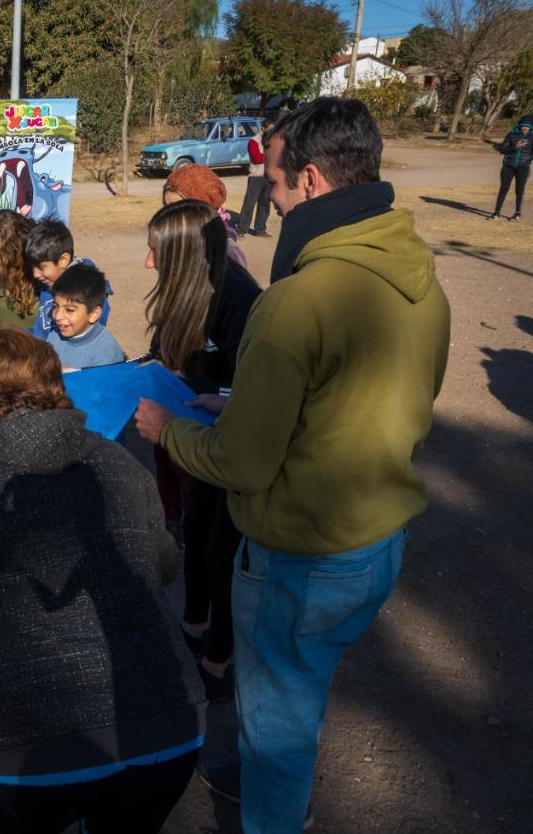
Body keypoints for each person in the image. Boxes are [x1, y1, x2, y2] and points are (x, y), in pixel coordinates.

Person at [134, 97, 450, 833]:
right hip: (377, 543)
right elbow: (360, 399)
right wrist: (240, 400)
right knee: (289, 693)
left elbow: (242, 462)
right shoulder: (419, 278)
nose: (265, 203)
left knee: (282, 726)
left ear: (309, 180)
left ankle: (268, 806)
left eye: (271, 185)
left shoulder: (293, 303)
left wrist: (168, 428)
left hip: (302, 557)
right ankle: (243, 765)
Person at [0, 328, 205, 834]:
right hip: (167, 729)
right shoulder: (119, 465)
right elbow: (162, 567)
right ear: (58, 384)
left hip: (26, 752)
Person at [143, 199, 261, 702]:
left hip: (236, 442)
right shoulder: (182, 293)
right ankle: (192, 626)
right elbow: (167, 356)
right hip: (198, 436)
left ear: (186, 254)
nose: (148, 264)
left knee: (223, 550)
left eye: (156, 253)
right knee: (194, 532)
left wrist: (223, 397)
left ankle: (220, 657)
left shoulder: (240, 298)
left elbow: (258, 387)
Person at [24, 219, 109, 340]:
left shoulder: (86, 288)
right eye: (32, 267)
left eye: (41, 267)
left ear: (63, 260)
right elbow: (40, 329)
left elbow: (94, 332)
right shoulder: (49, 281)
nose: (35, 274)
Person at [163, 164, 249, 270]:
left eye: (179, 209)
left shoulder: (226, 252)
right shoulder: (182, 234)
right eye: (166, 207)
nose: (169, 215)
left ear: (204, 209)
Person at [44, 264, 126, 370]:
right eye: (55, 306)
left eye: (69, 310)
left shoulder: (106, 357)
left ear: (93, 314)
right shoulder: (55, 333)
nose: (58, 316)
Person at [237, 119, 274, 238]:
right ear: (263, 128)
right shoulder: (253, 141)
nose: (272, 131)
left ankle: (260, 230)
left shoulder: (273, 140)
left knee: (265, 205)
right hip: (256, 177)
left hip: (268, 176)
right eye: (270, 129)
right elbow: (257, 158)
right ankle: (242, 230)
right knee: (249, 204)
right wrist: (272, 153)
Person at [490, 116, 530, 221]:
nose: (525, 128)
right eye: (523, 126)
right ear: (520, 127)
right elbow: (502, 150)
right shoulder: (511, 135)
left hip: (523, 167)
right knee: (504, 188)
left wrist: (529, 158)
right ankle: (496, 212)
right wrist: (515, 147)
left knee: (519, 190)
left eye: (528, 127)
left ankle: (517, 214)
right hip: (508, 166)